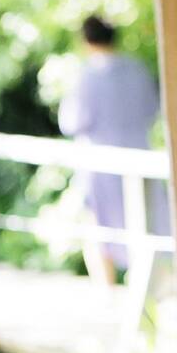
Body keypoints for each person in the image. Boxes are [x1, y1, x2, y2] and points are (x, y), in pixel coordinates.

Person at [59, 15, 163, 282]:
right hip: (139, 155)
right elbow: (152, 109)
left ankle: (107, 292)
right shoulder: (137, 69)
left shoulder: (86, 75)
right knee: (145, 224)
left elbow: (71, 121)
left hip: (98, 164)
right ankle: (143, 287)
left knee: (97, 226)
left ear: (86, 40)